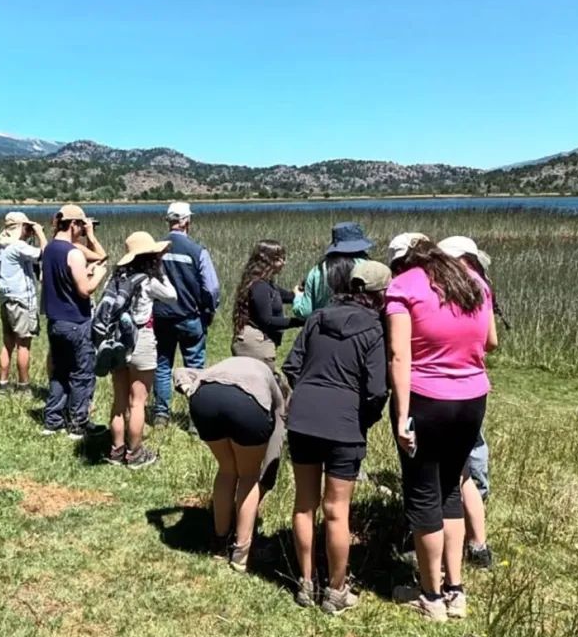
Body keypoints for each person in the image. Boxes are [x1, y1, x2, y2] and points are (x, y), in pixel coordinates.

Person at [386, 234, 497, 621]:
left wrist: (401, 414)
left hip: (425, 399)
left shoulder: (404, 286)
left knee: (422, 494)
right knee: (451, 484)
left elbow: (400, 355)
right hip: (472, 400)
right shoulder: (473, 281)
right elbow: (489, 340)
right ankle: (456, 589)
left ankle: (430, 596)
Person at [282, 261, 392, 614]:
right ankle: (336, 590)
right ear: (380, 294)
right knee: (337, 511)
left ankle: (305, 582)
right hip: (345, 424)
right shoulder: (375, 329)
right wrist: (364, 418)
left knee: (304, 503)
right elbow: (376, 389)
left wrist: (309, 396)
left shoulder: (317, 318)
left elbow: (292, 366)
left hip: (303, 418)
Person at [172, 357, 287, 572]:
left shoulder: (220, 366)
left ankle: (219, 543)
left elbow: (179, 372)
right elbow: (280, 422)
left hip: (205, 399)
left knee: (226, 470)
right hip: (245, 406)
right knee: (248, 476)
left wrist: (189, 391)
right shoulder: (272, 382)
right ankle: (240, 554)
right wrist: (268, 474)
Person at [438, 236, 500, 569]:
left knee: (451, 476)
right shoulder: (481, 287)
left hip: (443, 391)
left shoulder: (442, 289)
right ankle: (478, 546)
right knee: (465, 467)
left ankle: (444, 550)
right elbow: (491, 341)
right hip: (474, 387)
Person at [106, 232, 176, 470]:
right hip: (141, 339)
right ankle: (134, 453)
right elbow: (172, 295)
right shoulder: (149, 280)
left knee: (119, 400)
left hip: (116, 341)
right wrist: (161, 269)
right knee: (138, 401)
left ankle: (116, 449)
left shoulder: (116, 278)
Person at [42, 204, 109, 439]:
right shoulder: (73, 253)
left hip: (55, 321)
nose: (83, 229)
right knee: (82, 372)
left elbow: (99, 255)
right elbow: (84, 290)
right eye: (82, 225)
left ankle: (53, 420)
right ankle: (78, 423)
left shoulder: (50, 248)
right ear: (73, 225)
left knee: (60, 371)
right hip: (76, 321)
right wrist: (98, 276)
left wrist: (90, 237)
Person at [152, 201, 221, 428]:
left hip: (162, 317)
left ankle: (161, 414)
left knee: (163, 364)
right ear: (185, 222)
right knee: (195, 366)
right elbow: (211, 288)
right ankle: (194, 419)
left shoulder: (156, 249)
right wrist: (209, 309)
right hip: (191, 317)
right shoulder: (197, 251)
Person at [0, 212, 47, 393]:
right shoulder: (17, 246)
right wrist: (39, 233)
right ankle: (24, 385)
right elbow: (44, 254)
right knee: (24, 343)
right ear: (19, 227)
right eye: (26, 227)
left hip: (5, 298)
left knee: (7, 343)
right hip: (21, 300)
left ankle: (2, 382)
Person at [230, 240, 294, 369]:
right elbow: (267, 321)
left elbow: (288, 296)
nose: (284, 263)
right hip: (256, 345)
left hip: (257, 343)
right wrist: (298, 321)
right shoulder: (260, 286)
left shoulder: (267, 285)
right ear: (268, 261)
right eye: (280, 259)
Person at [292, 222, 372, 320]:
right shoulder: (370, 267)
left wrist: (298, 297)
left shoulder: (318, 270)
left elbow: (305, 312)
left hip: (325, 329)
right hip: (362, 327)